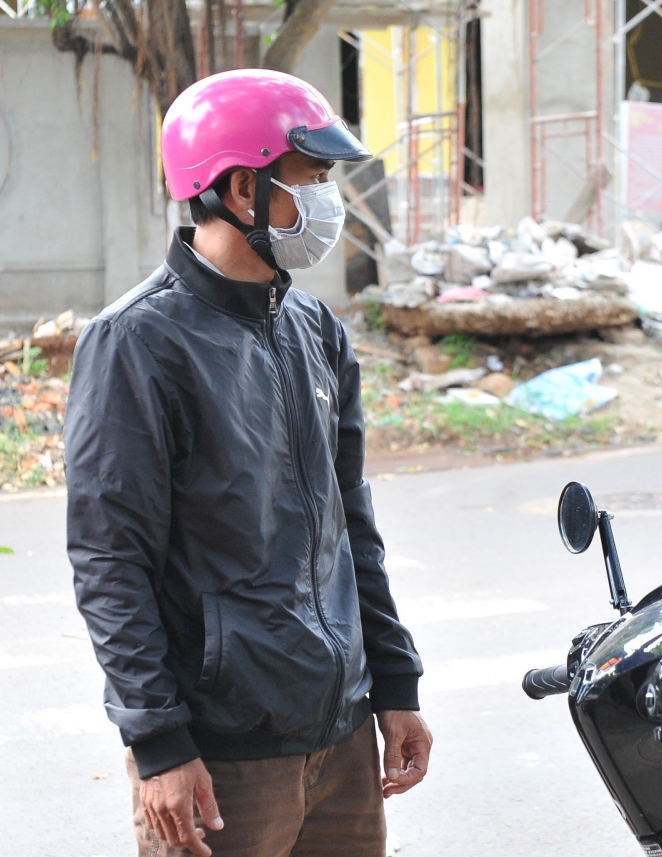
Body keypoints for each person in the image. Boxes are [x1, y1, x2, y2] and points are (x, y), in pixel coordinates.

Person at [66, 69, 431, 857]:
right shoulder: (137, 343)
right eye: (313, 177)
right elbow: (110, 559)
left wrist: (395, 684)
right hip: (220, 754)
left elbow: (350, 525)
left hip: (339, 738)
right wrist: (159, 741)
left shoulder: (316, 329)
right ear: (241, 187)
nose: (329, 200)